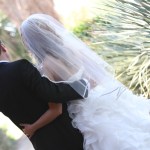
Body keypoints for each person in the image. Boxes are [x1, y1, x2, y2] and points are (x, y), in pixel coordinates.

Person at [20, 13, 150, 150]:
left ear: (33, 41)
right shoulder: (71, 49)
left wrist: (33, 127)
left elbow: (56, 110)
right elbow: (93, 79)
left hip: (84, 110)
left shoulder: (46, 67)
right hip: (102, 96)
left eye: (25, 40)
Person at [0, 40, 89, 150]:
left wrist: (33, 127)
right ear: (3, 47)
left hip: (41, 144)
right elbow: (52, 93)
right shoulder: (20, 67)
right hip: (66, 136)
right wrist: (84, 85)